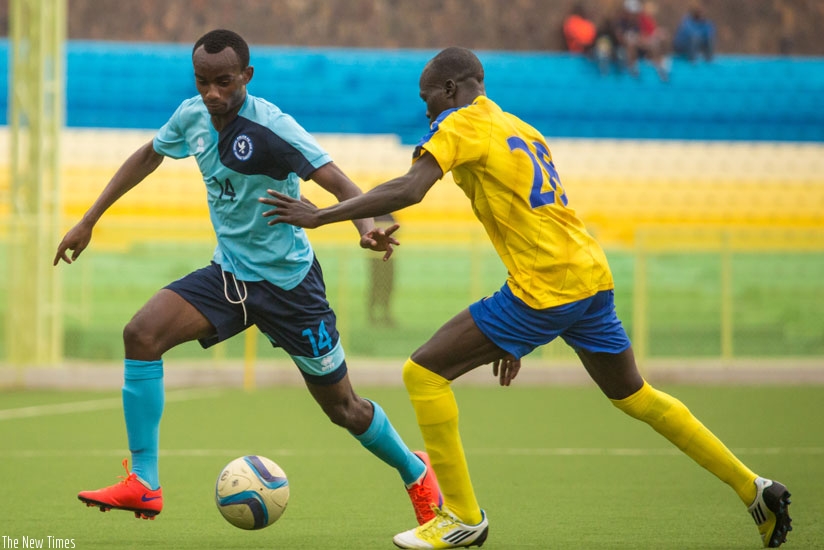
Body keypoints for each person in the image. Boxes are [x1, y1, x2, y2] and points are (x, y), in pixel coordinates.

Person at [259, 47, 794, 549]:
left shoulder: (461, 122)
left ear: (449, 89)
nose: (427, 113)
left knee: (423, 373)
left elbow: (410, 189)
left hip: (547, 286)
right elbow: (531, 219)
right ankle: (754, 488)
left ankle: (463, 519)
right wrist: (520, 336)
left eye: (428, 100)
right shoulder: (520, 128)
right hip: (587, 276)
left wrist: (321, 215)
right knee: (636, 396)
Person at [52, 29, 442, 529]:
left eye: (224, 82)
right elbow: (149, 154)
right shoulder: (191, 115)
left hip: (291, 288)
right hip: (230, 277)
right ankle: (145, 483)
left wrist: (365, 229)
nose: (212, 93)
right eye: (202, 82)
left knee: (344, 409)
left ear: (247, 77)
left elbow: (341, 182)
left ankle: (415, 472)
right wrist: (90, 218)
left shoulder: (273, 127)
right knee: (141, 335)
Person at [368, 213, 398, 326]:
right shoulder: (374, 216)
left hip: (390, 258)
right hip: (376, 259)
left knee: (388, 286)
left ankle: (386, 313)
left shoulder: (390, 216)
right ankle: (372, 315)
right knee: (375, 285)